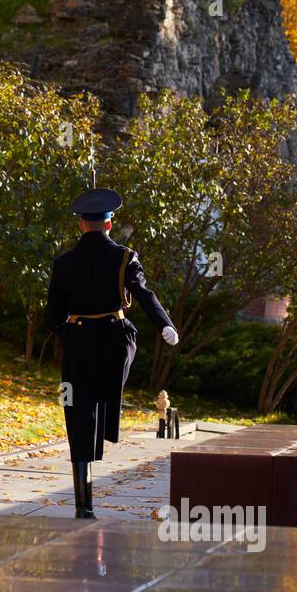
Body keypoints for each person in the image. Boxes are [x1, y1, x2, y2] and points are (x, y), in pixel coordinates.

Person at [44, 188, 179, 518]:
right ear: (109, 223)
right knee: (104, 397)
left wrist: (71, 334)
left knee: (78, 414)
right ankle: (106, 423)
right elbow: (143, 294)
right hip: (113, 340)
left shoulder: (62, 263)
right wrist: (164, 324)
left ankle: (83, 504)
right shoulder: (124, 257)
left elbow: (52, 316)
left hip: (78, 343)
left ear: (80, 225)